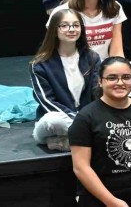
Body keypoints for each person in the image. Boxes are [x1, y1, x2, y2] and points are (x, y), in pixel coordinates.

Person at [69, 57, 131, 207]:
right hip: (100, 197)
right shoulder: (85, 117)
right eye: (112, 78)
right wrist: (111, 202)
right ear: (100, 81)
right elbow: (81, 167)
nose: (120, 83)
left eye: (126, 77)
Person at [31, 9, 100, 151]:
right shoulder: (39, 65)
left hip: (88, 118)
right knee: (53, 121)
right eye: (64, 25)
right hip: (61, 121)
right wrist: (78, 120)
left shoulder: (92, 57)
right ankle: (90, 139)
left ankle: (66, 143)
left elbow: (97, 92)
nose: (71, 29)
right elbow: (47, 101)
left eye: (76, 25)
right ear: (54, 30)